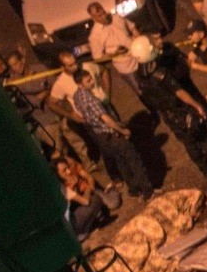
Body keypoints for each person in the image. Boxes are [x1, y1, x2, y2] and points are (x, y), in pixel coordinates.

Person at [129, 35, 207, 179]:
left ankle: (206, 171)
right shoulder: (161, 73)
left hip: (168, 115)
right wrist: (196, 106)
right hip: (181, 109)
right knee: (202, 137)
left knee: (189, 143)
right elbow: (179, 92)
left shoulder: (138, 75)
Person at [67, 67, 156, 198]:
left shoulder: (77, 96)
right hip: (109, 132)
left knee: (120, 161)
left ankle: (133, 189)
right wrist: (122, 130)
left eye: (91, 79)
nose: (92, 82)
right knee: (132, 158)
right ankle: (147, 190)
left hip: (99, 134)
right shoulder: (90, 99)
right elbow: (105, 118)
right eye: (88, 81)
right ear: (80, 84)